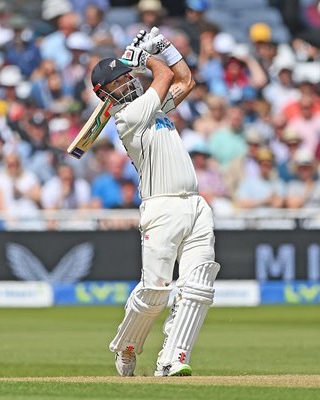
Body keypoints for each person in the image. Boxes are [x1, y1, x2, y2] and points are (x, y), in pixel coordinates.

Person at [89, 27, 220, 377]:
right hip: (161, 208)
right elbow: (162, 74)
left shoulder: (155, 105)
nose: (128, 82)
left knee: (198, 285)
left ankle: (172, 359)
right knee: (155, 292)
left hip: (195, 205)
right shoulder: (128, 118)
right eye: (120, 81)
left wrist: (166, 46)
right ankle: (126, 346)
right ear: (105, 94)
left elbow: (185, 79)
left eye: (127, 77)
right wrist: (144, 57)